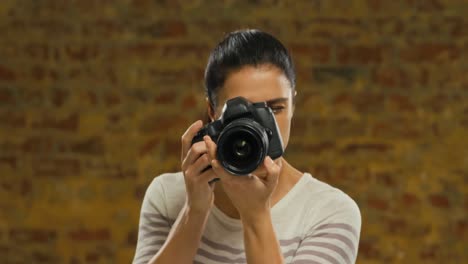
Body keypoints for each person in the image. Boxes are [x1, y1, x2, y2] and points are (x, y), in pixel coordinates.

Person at [132, 29, 361, 264]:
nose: (262, 125)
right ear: (212, 112)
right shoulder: (168, 196)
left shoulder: (329, 212)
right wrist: (195, 210)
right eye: (243, 112)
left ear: (293, 104)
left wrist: (256, 215)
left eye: (276, 109)